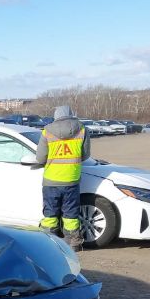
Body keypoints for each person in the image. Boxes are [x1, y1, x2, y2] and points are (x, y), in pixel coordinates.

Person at [35, 105, 90, 251]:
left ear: (56, 115)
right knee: (71, 214)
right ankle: (74, 244)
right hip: (71, 178)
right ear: (71, 114)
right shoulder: (82, 129)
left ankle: (49, 244)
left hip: (51, 179)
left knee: (50, 214)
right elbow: (85, 155)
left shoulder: (47, 131)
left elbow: (40, 158)